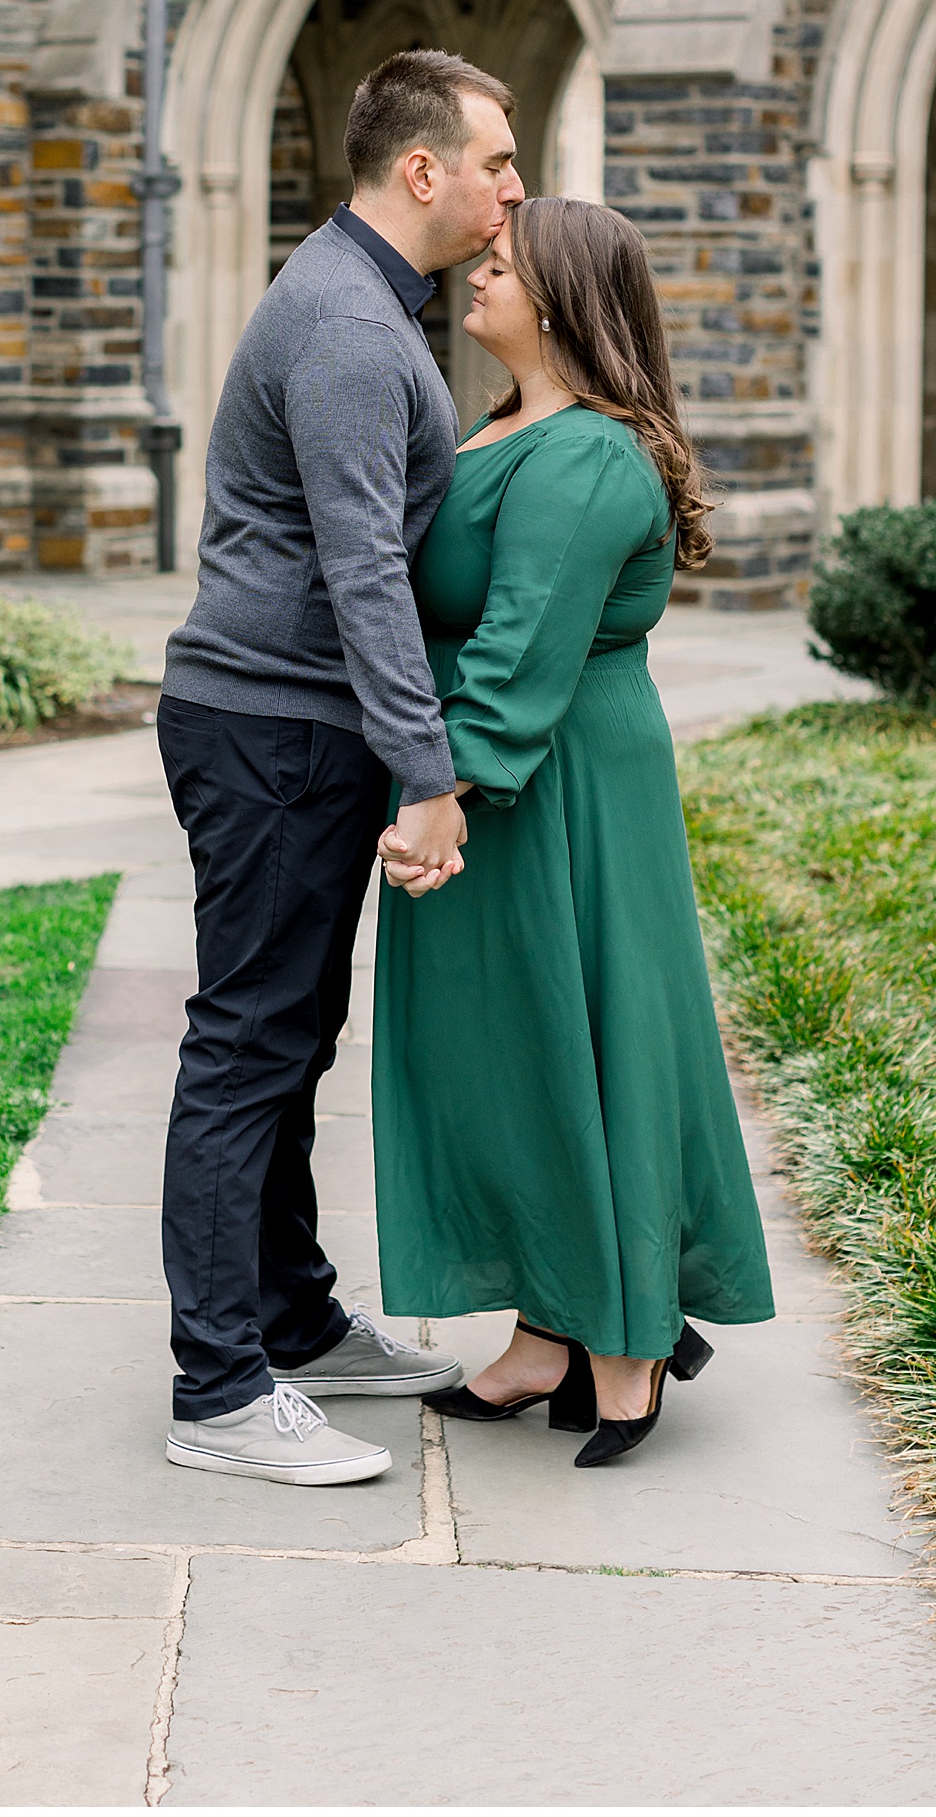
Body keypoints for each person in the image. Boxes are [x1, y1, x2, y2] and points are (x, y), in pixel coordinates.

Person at [157, 47, 525, 1487]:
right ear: (420, 170)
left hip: (289, 726)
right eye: (496, 159)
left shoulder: (359, 301)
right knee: (249, 1044)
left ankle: (294, 1319)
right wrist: (424, 771)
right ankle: (218, 1392)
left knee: (288, 1038)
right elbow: (366, 570)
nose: (513, 186)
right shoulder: (354, 331)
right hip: (276, 730)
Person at [373, 196, 775, 1467]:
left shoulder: (593, 456)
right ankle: (549, 1325)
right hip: (494, 776)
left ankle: (629, 1336)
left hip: (560, 782)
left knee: (594, 1036)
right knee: (515, 1048)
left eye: (501, 264)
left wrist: (448, 789)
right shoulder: (502, 425)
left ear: (563, 299)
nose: (476, 276)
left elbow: (522, 642)